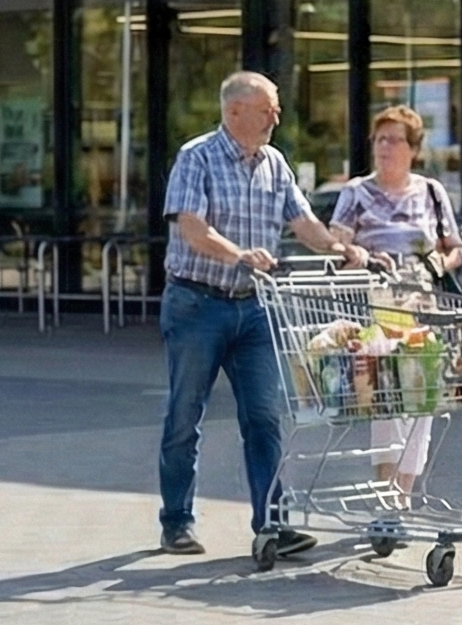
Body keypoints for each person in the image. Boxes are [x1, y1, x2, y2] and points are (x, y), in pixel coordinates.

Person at [157, 70, 371, 556]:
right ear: (235, 112)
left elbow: (304, 222)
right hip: (197, 303)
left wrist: (341, 249)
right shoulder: (197, 158)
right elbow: (192, 229)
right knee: (185, 415)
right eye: (268, 107)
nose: (277, 115)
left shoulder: (274, 162)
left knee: (264, 417)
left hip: (253, 309)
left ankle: (272, 524)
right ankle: (176, 521)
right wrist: (239, 255)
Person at [328, 103, 462, 500]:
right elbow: (336, 240)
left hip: (424, 309)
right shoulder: (357, 192)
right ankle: (385, 491)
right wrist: (358, 254)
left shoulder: (431, 192)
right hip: (376, 308)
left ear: (413, 149)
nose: (384, 147)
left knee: (421, 401)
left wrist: (442, 260)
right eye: (380, 139)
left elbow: (454, 247)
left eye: (394, 140)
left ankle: (402, 494)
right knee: (387, 398)